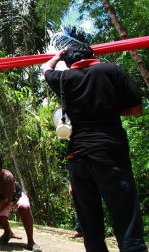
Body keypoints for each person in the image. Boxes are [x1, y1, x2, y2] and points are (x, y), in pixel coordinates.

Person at [42, 42, 146, 251]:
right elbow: (136, 109)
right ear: (93, 54)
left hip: (78, 158)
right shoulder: (112, 70)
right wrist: (110, 112)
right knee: (126, 222)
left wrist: (58, 57)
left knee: (91, 229)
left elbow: (46, 68)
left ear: (68, 61)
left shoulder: (63, 79)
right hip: (110, 154)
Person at [0, 156, 42, 251]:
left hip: (15, 196)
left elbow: (7, 200)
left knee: (25, 208)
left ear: (1, 169)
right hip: (0, 198)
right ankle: (7, 232)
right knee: (1, 218)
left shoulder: (8, 177)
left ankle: (31, 241)